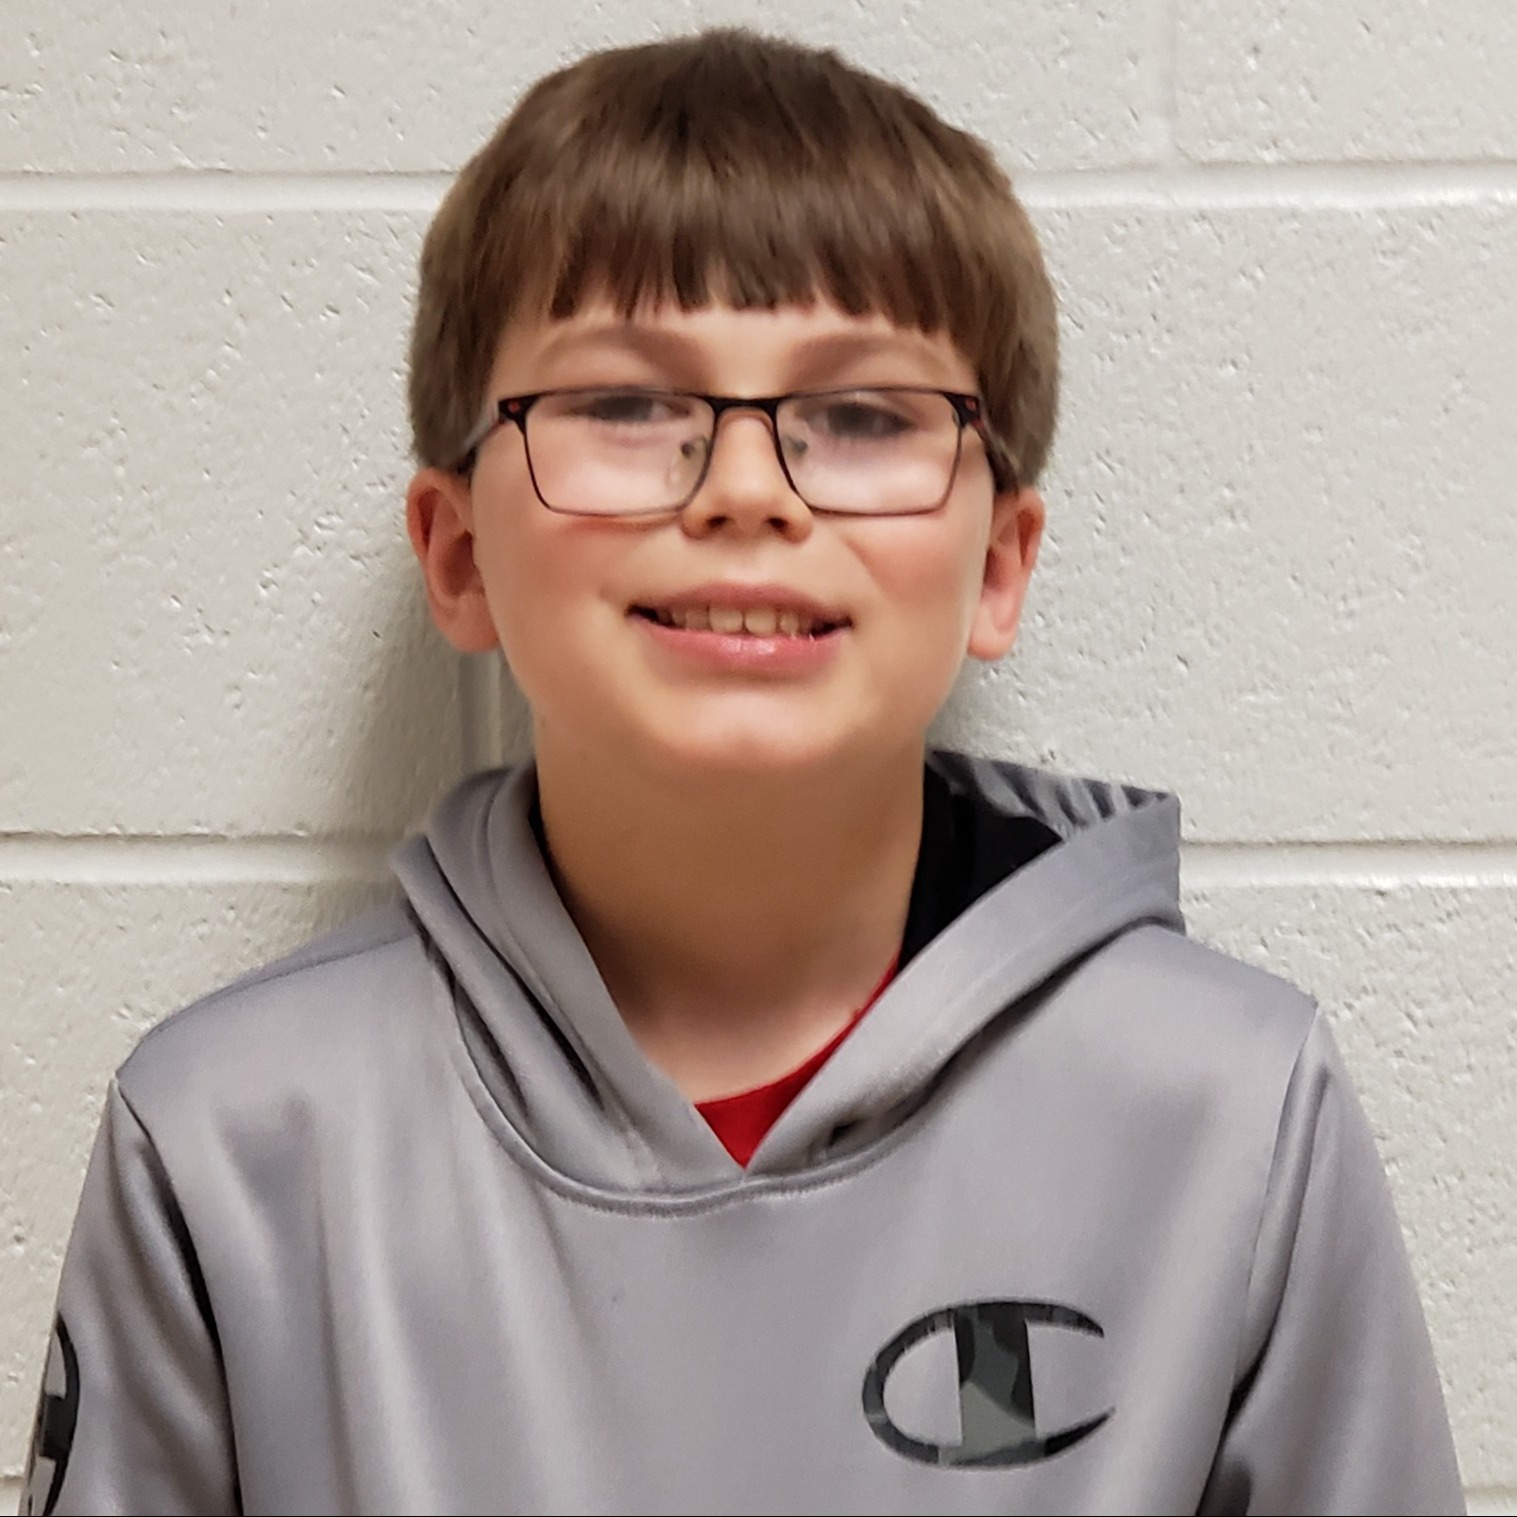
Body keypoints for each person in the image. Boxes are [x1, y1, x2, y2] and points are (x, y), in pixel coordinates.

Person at [21, 27, 1463, 1517]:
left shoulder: (1234, 1115)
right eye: (625, 405)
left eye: (862, 415)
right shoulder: (230, 1143)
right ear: (458, 555)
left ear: (998, 564)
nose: (746, 491)